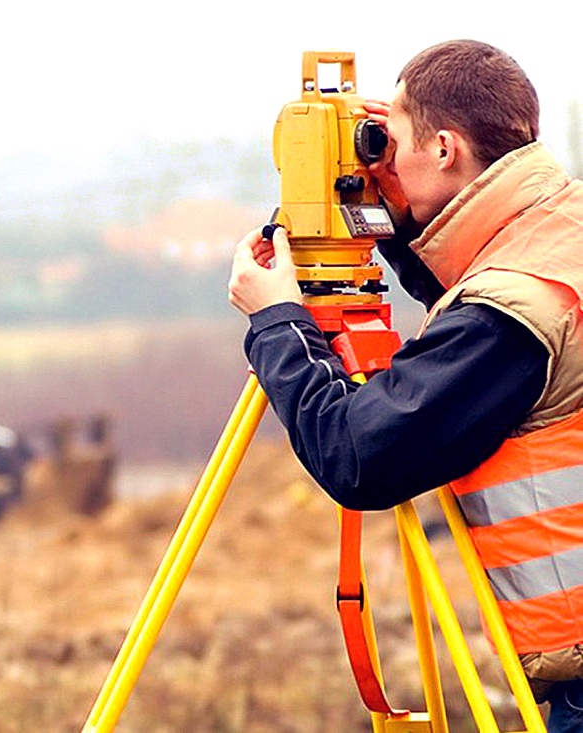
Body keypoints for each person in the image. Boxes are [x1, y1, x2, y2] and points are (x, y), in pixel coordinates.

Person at [227, 39, 583, 730]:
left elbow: (361, 456)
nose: (379, 156)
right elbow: (472, 291)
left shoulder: (515, 310)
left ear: (446, 149)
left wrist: (277, 322)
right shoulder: (558, 231)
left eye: (395, 140)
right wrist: (388, 215)